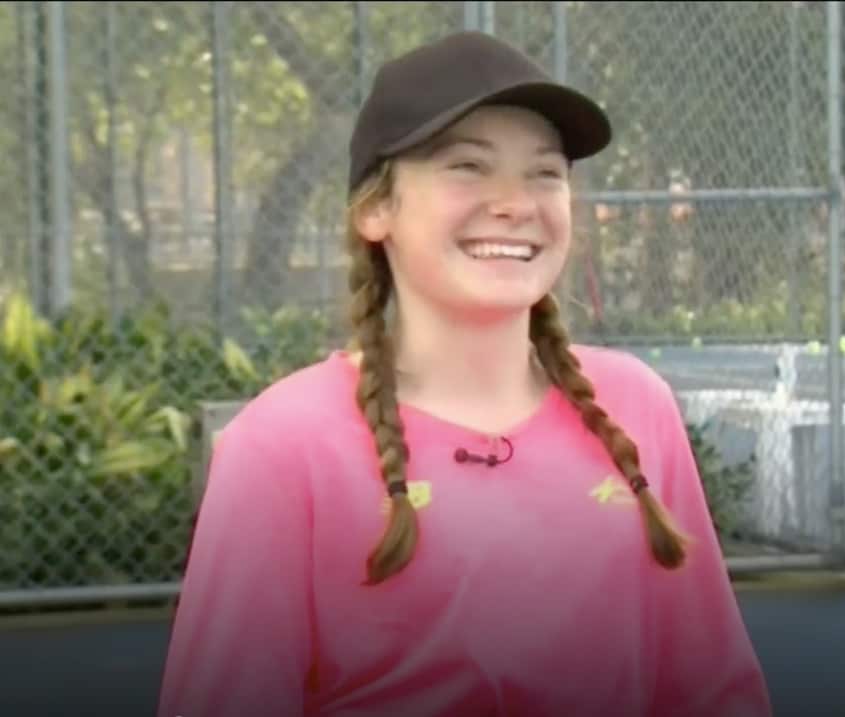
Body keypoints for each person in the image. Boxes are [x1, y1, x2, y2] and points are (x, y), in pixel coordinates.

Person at [157, 31, 773, 717]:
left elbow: (715, 688)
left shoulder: (636, 403)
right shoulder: (281, 444)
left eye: (545, 173)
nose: (516, 203)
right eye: (468, 167)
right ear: (376, 209)